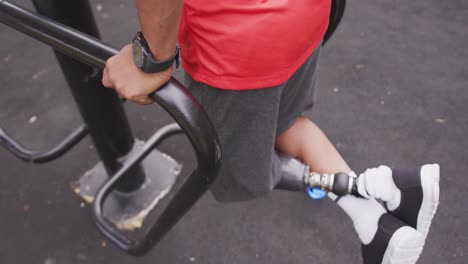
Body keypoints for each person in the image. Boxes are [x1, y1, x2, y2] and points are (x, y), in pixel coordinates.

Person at [101, 0, 440, 263]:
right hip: (303, 15)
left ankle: (365, 196)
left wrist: (151, 60)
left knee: (236, 165)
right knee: (282, 124)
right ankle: (380, 204)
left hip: (235, 42)